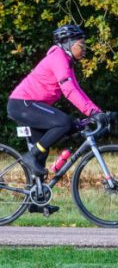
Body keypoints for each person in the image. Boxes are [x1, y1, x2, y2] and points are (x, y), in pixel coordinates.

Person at [7, 24, 105, 192]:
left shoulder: (67, 61)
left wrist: (98, 112)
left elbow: (77, 89)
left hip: (34, 105)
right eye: (81, 45)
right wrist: (92, 112)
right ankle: (30, 156)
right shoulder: (58, 57)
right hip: (22, 103)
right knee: (64, 122)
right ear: (68, 43)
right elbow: (69, 91)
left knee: (45, 152)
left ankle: (35, 200)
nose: (84, 49)